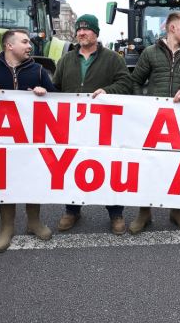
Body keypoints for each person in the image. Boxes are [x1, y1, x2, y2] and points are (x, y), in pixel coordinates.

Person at [0, 29, 56, 252]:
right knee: (5, 180)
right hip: (1, 140)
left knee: (32, 177)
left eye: (29, 42)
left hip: (32, 139)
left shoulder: (39, 70)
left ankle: (34, 222)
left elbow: (60, 101)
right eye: (24, 42)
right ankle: (7, 226)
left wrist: (46, 92)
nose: (29, 45)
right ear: (9, 46)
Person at [52, 14, 132, 235]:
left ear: (96, 33)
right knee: (72, 166)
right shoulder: (66, 60)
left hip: (104, 125)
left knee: (107, 166)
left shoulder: (113, 58)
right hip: (73, 125)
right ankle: (72, 209)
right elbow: (56, 87)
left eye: (86, 30)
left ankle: (115, 213)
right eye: (79, 30)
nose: (81, 33)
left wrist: (108, 91)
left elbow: (126, 82)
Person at [129, 11, 180, 234]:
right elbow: (135, 81)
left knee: (178, 166)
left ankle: (176, 210)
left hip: (179, 122)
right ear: (172, 28)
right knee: (149, 164)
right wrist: (143, 105)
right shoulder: (150, 53)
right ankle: (145, 211)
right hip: (153, 121)